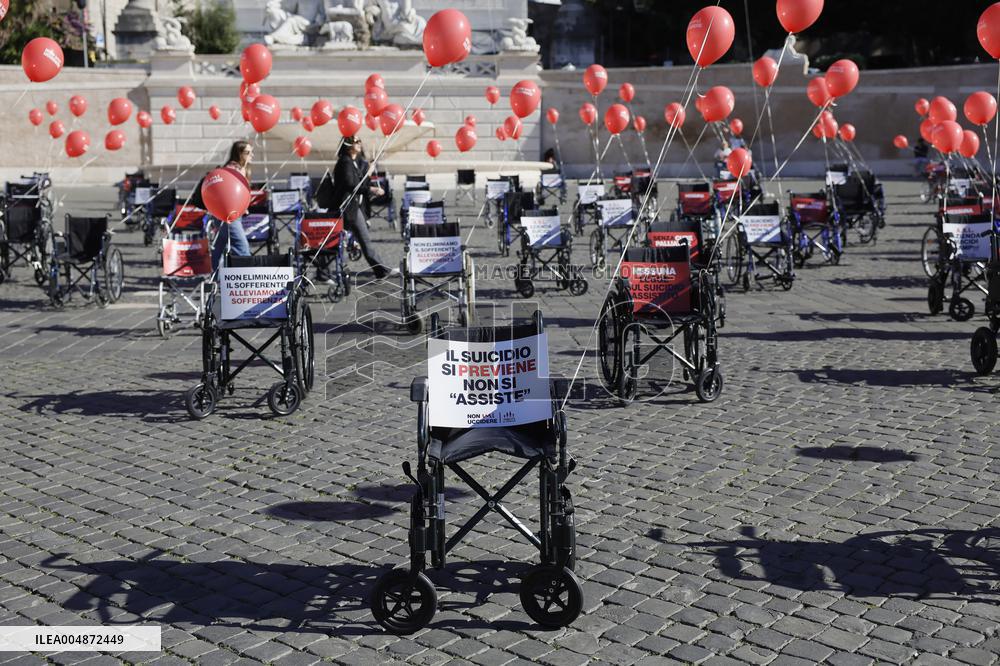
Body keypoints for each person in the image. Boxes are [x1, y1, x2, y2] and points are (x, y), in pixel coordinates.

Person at [329, 136, 393, 278]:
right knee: (360, 240)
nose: (359, 143)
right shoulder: (345, 162)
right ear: (348, 145)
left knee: (339, 241)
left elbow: (359, 183)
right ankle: (381, 270)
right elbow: (351, 185)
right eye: (356, 141)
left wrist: (368, 174)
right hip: (347, 208)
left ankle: (381, 270)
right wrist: (372, 189)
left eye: (359, 141)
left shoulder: (352, 162)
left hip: (351, 207)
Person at [211, 140, 253, 270]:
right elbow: (229, 193)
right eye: (248, 152)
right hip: (229, 215)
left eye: (251, 152)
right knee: (242, 247)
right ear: (239, 154)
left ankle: (216, 276)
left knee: (220, 246)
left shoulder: (239, 169)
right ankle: (246, 276)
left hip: (226, 214)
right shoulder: (233, 170)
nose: (251, 155)